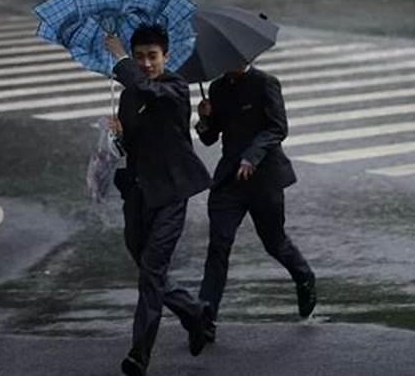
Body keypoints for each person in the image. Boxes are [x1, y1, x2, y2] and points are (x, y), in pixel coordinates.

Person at [105, 25, 214, 376]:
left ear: (166, 57)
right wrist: (117, 138)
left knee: (151, 272)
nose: (146, 63)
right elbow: (130, 146)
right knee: (145, 264)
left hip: (170, 193)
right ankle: (194, 313)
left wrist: (120, 58)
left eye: (152, 57)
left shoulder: (175, 88)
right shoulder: (128, 96)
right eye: (139, 57)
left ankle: (139, 353)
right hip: (137, 194)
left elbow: (148, 89)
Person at [195, 63, 317, 341]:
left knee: (274, 242)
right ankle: (205, 316)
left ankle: (304, 276)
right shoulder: (216, 88)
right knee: (218, 246)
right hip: (229, 182)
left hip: (265, 178)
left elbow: (278, 128)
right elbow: (210, 138)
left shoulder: (266, 83)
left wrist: (252, 156)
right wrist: (204, 119)